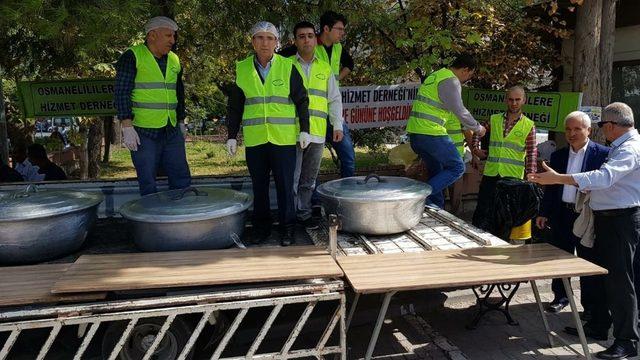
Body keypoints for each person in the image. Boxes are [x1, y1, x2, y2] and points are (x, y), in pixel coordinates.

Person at [529, 102, 640, 360]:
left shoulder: (630, 149)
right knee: (601, 276)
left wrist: (560, 178)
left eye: (603, 126)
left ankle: (626, 341)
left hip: (620, 221)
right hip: (605, 220)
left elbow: (605, 177)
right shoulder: (620, 147)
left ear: (610, 126)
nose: (604, 132)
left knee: (620, 282)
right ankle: (599, 326)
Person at [226, 21, 311, 246]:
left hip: (282, 139)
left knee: (285, 186)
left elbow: (302, 100)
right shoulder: (241, 69)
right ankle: (261, 229)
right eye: (260, 38)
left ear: (277, 42)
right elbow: (235, 106)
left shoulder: (287, 66)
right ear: (253, 42)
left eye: (270, 38)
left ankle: (287, 229)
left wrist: (305, 130)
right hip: (256, 141)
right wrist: (232, 135)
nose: (265, 43)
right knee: (259, 186)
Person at [535, 111, 609, 315]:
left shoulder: (602, 154)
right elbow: (551, 187)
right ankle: (560, 297)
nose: (572, 133)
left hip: (587, 216)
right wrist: (544, 212)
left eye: (577, 129)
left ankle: (590, 307)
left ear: (589, 131)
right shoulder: (558, 155)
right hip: (562, 214)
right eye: (568, 129)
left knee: (588, 261)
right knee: (559, 258)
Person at [114, 16, 191, 196]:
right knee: (148, 182)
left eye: (174, 36)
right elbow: (121, 92)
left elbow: (179, 93)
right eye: (168, 36)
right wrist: (127, 126)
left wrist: (181, 120)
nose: (173, 40)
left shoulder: (174, 60)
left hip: (171, 129)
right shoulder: (132, 56)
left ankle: (183, 217)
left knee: (181, 177)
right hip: (143, 132)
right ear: (152, 35)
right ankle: (151, 222)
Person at [406, 54, 486, 209]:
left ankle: (434, 206)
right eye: (469, 75)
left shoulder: (436, 75)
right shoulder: (451, 81)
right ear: (465, 69)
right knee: (457, 167)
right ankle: (419, 197)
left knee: (436, 170)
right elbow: (460, 110)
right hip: (431, 134)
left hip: (416, 135)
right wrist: (478, 128)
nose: (467, 79)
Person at [289, 21, 344, 230]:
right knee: (292, 178)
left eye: (310, 36)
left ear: (315, 39)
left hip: (318, 132)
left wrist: (337, 125)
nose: (306, 40)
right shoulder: (286, 66)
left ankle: (303, 213)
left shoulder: (324, 68)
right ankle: (290, 216)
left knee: (309, 179)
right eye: (301, 36)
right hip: (292, 132)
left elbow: (334, 98)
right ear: (295, 41)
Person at [470, 86, 536, 229]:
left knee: (505, 214)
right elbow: (478, 131)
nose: (514, 103)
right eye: (511, 100)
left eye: (517, 100)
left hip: (512, 178)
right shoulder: (494, 119)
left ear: (524, 100)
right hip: (491, 173)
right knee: (483, 211)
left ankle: (499, 244)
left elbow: (531, 152)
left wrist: (530, 174)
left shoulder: (529, 125)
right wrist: (475, 149)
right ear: (506, 100)